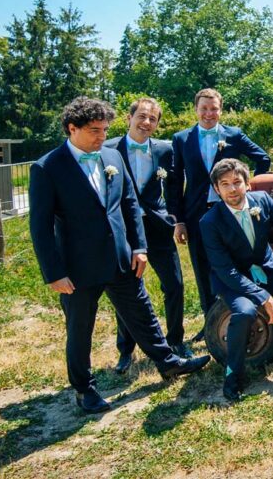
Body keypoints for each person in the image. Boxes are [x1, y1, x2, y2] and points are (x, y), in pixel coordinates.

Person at [29, 97, 210, 413]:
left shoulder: (111, 156)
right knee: (80, 328)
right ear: (72, 129)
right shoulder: (47, 168)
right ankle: (84, 390)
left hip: (120, 257)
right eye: (94, 131)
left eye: (104, 130)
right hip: (77, 266)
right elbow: (40, 226)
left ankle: (168, 362)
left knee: (142, 312)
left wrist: (139, 247)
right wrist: (54, 273)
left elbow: (128, 203)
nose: (101, 137)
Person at [201, 158, 273, 401]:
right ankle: (234, 372)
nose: (233, 189)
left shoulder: (262, 200)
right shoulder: (209, 222)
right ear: (216, 189)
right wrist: (264, 297)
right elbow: (225, 270)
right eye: (225, 184)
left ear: (247, 184)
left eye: (237, 182)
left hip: (266, 267)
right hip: (233, 277)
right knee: (244, 312)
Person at [168, 88, 271, 334]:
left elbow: (263, 159)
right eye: (204, 108)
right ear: (195, 109)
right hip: (196, 215)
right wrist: (178, 220)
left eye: (213, 108)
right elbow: (173, 182)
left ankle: (243, 316)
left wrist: (248, 188)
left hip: (231, 212)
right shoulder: (182, 139)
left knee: (234, 264)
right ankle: (211, 322)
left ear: (220, 110)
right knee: (203, 268)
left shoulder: (233, 135)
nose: (208, 113)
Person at [105, 97, 192, 375]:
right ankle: (126, 350)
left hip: (157, 228)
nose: (146, 123)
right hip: (125, 231)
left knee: (175, 285)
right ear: (129, 118)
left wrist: (176, 220)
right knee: (128, 291)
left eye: (152, 119)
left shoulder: (166, 150)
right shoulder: (109, 150)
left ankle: (176, 341)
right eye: (141, 116)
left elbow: (176, 186)